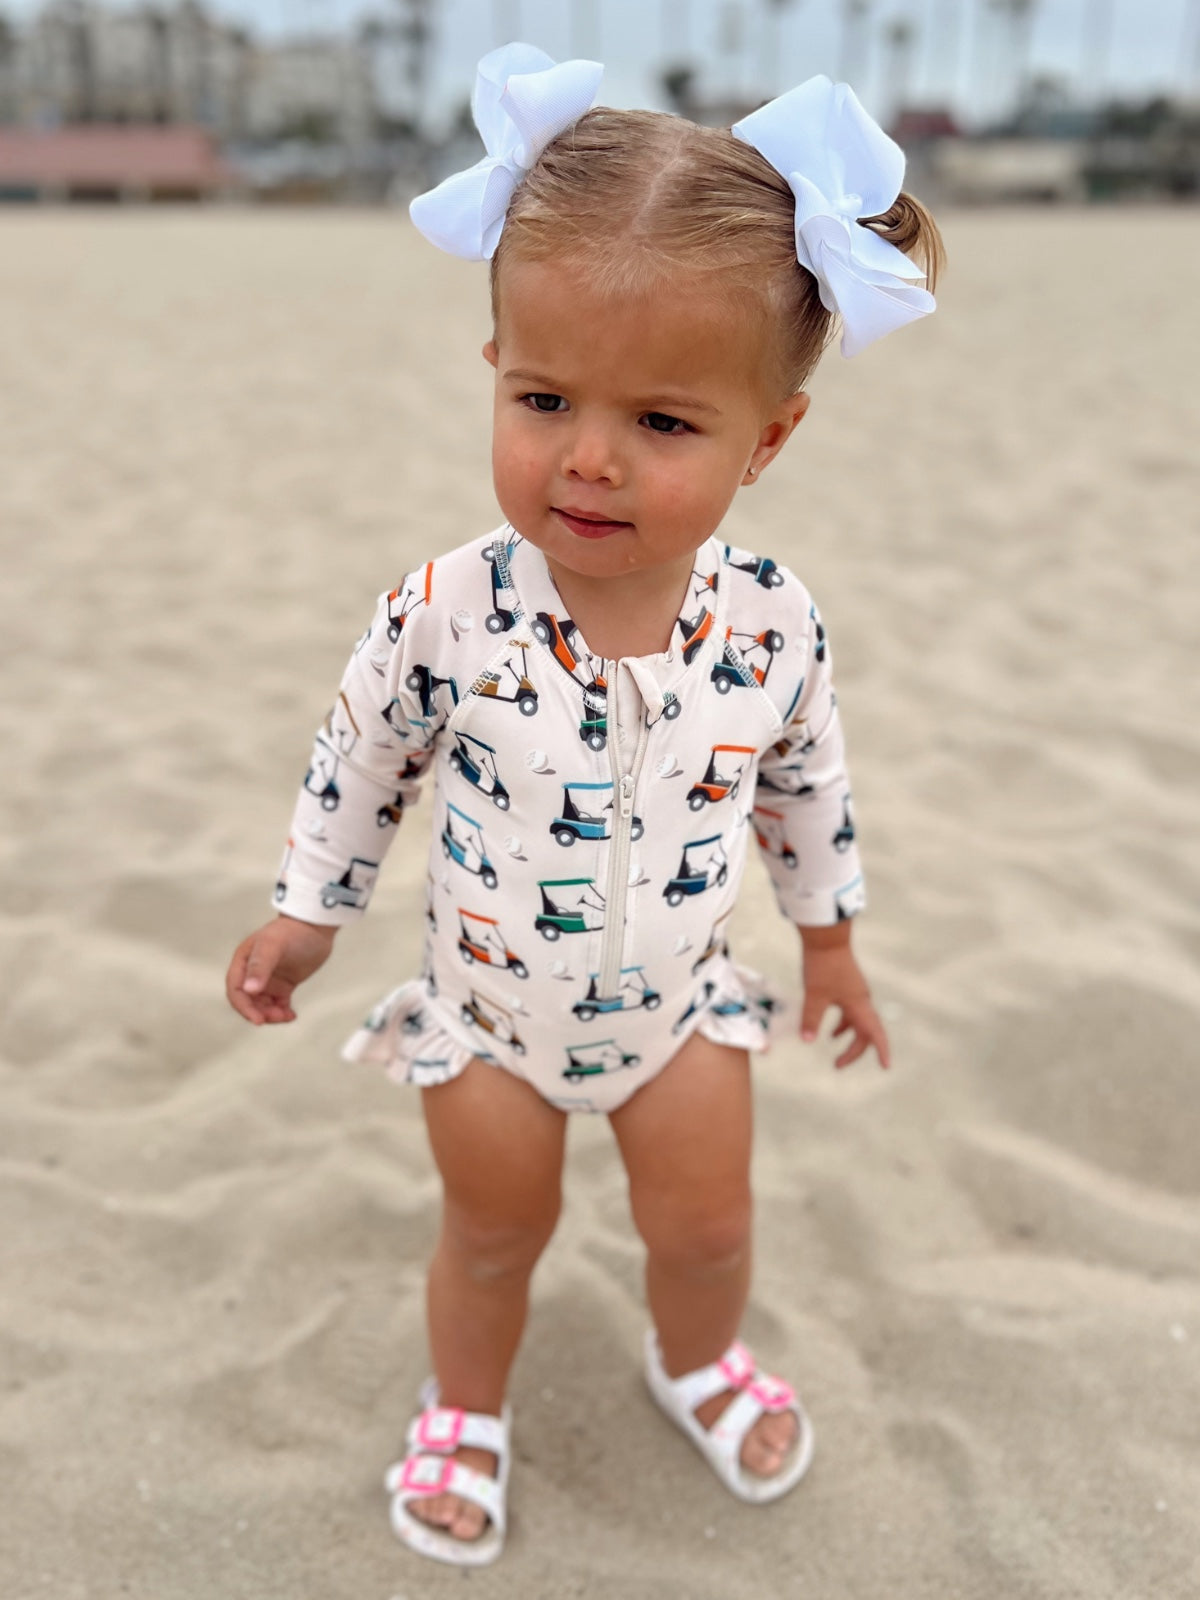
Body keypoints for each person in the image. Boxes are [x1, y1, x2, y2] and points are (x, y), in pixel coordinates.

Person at [225, 43, 943, 1569]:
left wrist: (830, 944)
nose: (590, 460)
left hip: (680, 1010)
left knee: (709, 1226)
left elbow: (806, 785)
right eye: (544, 398)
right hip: (489, 1013)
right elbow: (360, 760)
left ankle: (699, 1360)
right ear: (494, 364)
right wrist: (307, 915)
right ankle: (466, 1409)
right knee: (493, 1235)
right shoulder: (447, 610)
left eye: (664, 424)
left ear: (768, 438)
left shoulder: (771, 623)